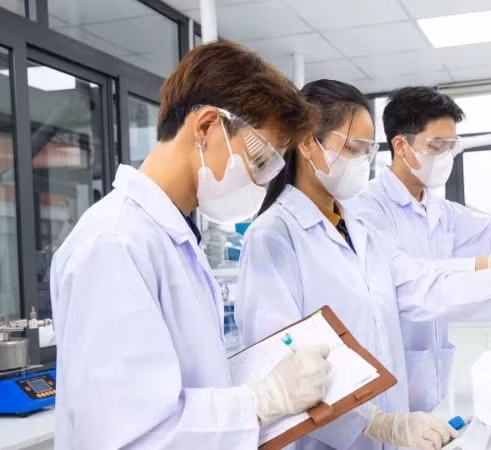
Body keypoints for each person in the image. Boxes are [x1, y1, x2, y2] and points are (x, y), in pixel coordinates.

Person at [235, 79, 491, 450]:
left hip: (388, 431)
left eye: (366, 151)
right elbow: (279, 368)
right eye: (352, 149)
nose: (361, 162)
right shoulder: (274, 236)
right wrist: (372, 422)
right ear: (308, 143)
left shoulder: (358, 228)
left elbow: (418, 283)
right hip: (326, 440)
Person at [49, 41, 332, 449]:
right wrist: (261, 400)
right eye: (259, 161)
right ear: (206, 128)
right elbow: (130, 436)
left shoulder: (171, 237)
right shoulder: (115, 245)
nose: (262, 182)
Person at [347, 86, 491, 412]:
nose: (444, 156)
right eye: (436, 146)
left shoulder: (441, 211)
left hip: (431, 385)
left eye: (450, 147)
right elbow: (411, 288)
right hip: (385, 391)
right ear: (400, 145)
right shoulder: (368, 211)